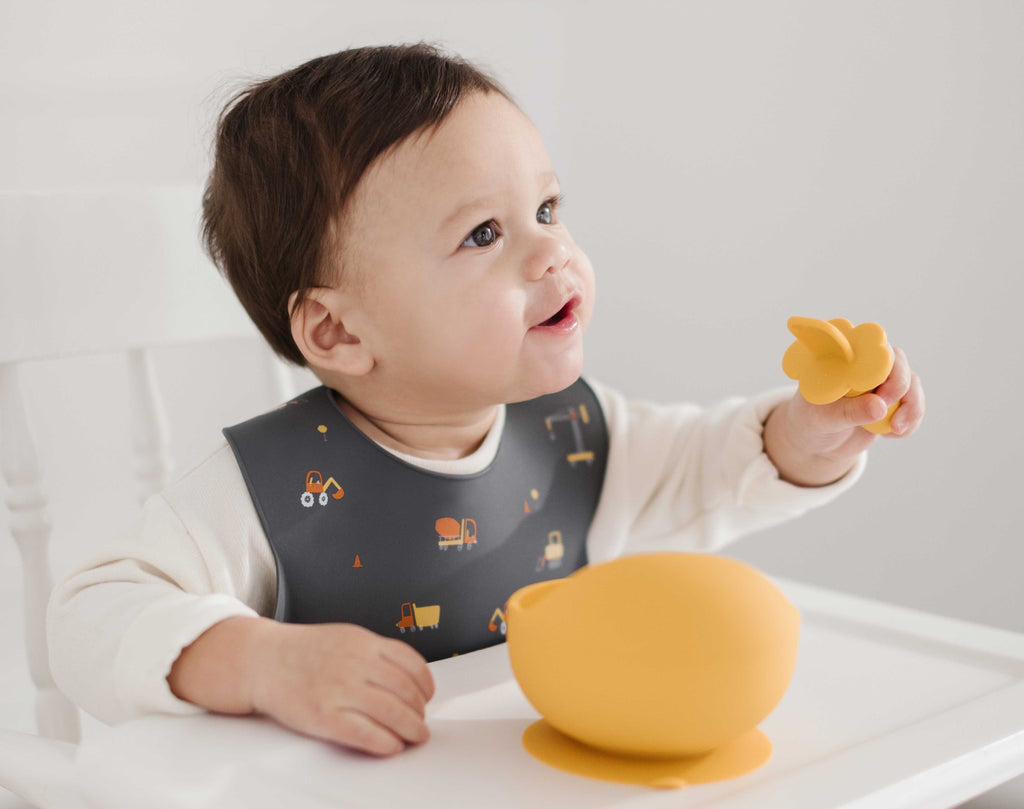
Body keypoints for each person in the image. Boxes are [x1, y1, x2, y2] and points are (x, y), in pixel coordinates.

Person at [47, 42, 925, 760]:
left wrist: (813, 434)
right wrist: (262, 662)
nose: (551, 253)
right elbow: (88, 619)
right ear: (339, 333)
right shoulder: (268, 487)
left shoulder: (577, 432)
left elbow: (713, 471)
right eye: (483, 233)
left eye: (546, 207)